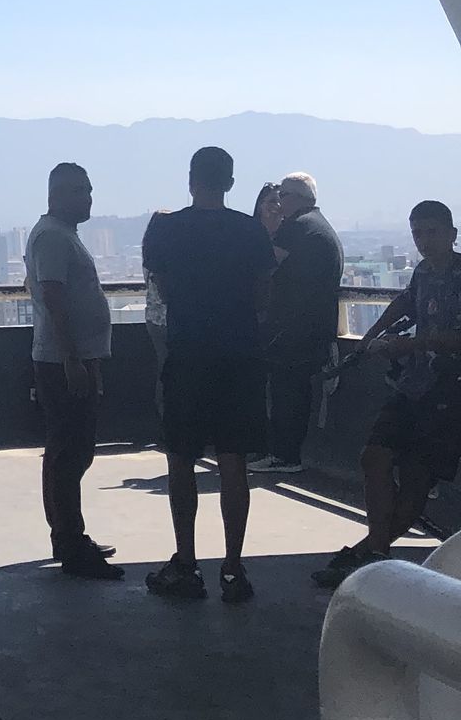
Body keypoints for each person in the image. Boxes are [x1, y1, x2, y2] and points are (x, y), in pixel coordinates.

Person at [141, 145, 276, 603]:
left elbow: (161, 286)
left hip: (188, 355)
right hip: (239, 356)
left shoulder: (167, 230)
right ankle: (233, 568)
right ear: (230, 183)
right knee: (234, 461)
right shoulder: (250, 231)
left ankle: (186, 563)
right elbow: (263, 295)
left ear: (191, 180)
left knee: (181, 458)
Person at [314, 200, 461, 589]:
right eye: (417, 234)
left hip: (449, 391)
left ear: (452, 234)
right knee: (374, 456)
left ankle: (370, 553)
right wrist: (369, 338)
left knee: (416, 478)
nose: (424, 241)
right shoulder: (423, 273)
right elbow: (405, 302)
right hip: (414, 385)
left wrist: (410, 345)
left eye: (432, 232)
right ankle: (375, 551)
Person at [25, 162, 122, 580]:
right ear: (57, 195)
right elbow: (54, 297)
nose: (88, 199)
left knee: (73, 450)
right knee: (69, 452)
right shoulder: (52, 236)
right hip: (64, 360)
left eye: (89, 190)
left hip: (74, 357)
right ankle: (70, 542)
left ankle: (70, 535)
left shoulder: (62, 234)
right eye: (79, 191)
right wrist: (71, 358)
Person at [257, 171, 344, 474]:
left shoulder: (296, 228)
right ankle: (287, 453)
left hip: (291, 327)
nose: (279, 203)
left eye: (282, 196)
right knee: (296, 391)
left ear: (295, 198)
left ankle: (284, 455)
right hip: (316, 325)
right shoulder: (320, 226)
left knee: (286, 392)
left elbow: (266, 266)